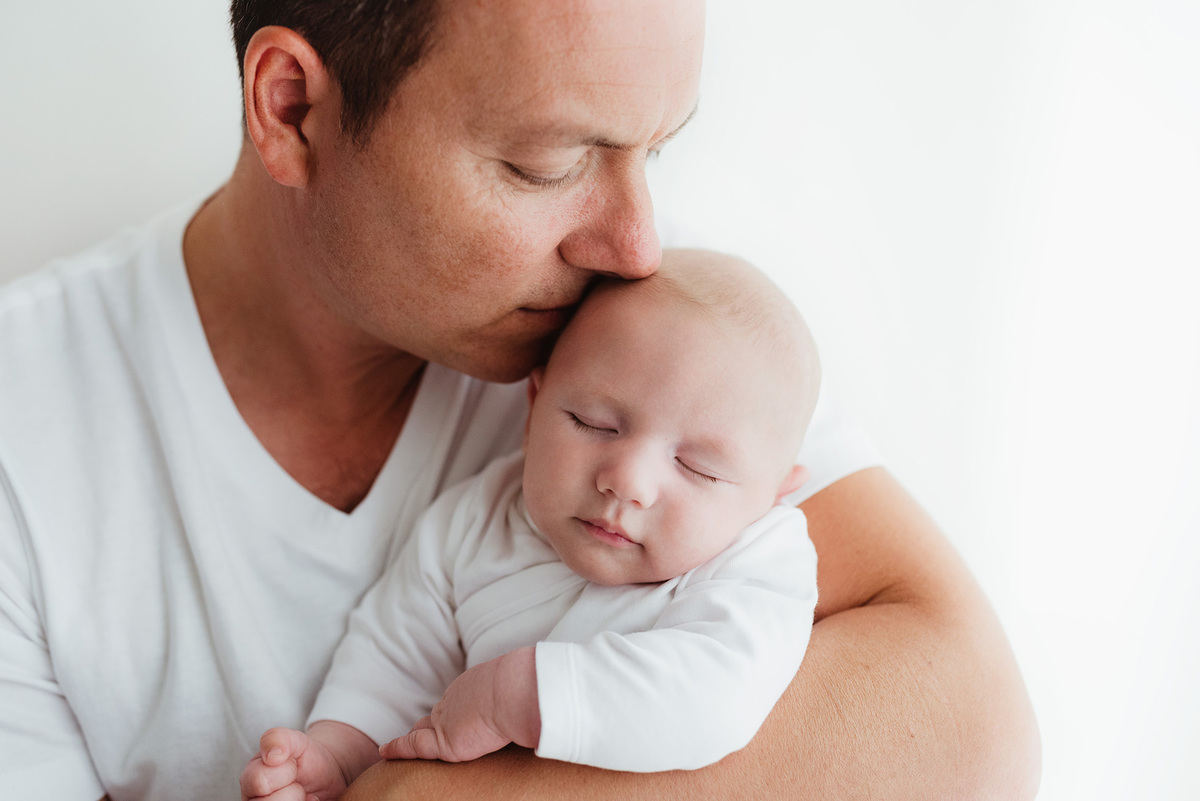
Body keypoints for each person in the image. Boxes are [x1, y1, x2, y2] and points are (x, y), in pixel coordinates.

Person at [0, 0, 1040, 799]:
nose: (637, 244)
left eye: (656, 149)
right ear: (292, 108)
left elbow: (971, 723)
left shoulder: (668, 341)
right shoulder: (29, 437)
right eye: (550, 164)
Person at [240, 251, 822, 800]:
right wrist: (341, 756)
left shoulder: (759, 558)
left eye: (697, 468)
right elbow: (394, 658)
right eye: (592, 422)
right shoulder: (477, 517)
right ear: (534, 405)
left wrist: (520, 696)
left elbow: (718, 696)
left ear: (773, 495)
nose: (628, 482)